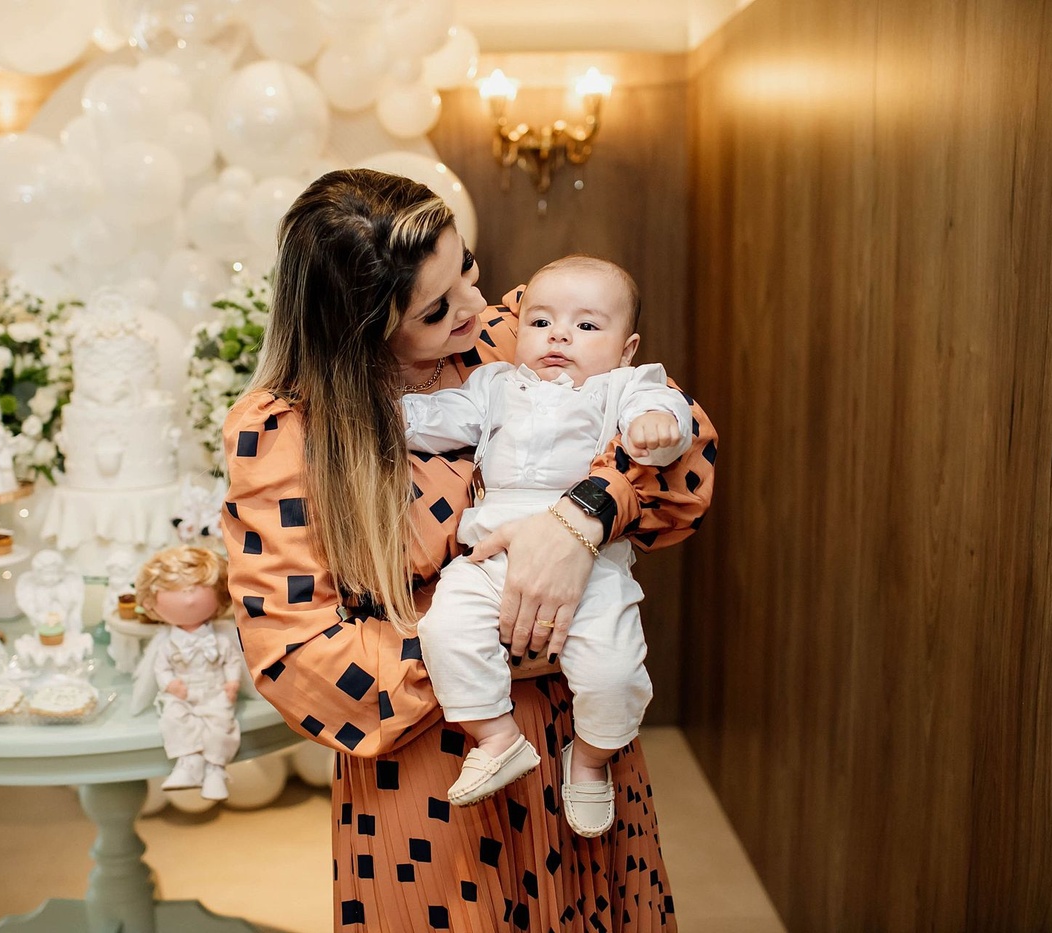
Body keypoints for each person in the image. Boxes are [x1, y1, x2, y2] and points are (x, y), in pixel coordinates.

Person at [221, 169, 716, 931]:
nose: (479, 306)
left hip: (579, 722)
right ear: (360, 327)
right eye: (435, 309)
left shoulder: (521, 332)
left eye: (469, 268)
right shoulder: (286, 430)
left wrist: (581, 520)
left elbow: (681, 457)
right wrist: (501, 642)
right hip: (429, 766)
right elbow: (298, 657)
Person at [402, 256, 691, 836]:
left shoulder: (624, 386)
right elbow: (435, 419)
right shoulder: (495, 385)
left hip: (590, 564)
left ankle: (591, 760)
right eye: (540, 322)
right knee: (445, 628)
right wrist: (378, 412)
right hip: (487, 556)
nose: (558, 336)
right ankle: (496, 736)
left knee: (615, 671)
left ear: (627, 348)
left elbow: (670, 416)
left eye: (586, 326)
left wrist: (659, 424)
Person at [129, 546, 243, 801]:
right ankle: (188, 762)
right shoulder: (166, 644)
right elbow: (160, 667)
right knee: (174, 717)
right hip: (182, 691)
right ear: (150, 603)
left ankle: (216, 768)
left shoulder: (221, 639)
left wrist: (233, 681)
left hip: (214, 689)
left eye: (195, 588)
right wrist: (169, 684)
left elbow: (232, 660)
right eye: (178, 589)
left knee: (221, 721)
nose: (189, 598)